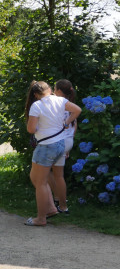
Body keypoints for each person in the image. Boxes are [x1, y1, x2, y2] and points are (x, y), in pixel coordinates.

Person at [24, 80, 81, 226]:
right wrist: (67, 122)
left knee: (41, 182)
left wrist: (38, 127)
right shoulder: (61, 100)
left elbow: (31, 129)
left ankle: (41, 218)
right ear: (49, 89)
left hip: (46, 146)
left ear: (36, 94)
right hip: (60, 145)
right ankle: (51, 207)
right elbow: (77, 110)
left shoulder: (37, 105)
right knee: (35, 177)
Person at [49, 79, 78, 215]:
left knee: (44, 172)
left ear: (59, 91)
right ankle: (62, 205)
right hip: (67, 141)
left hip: (57, 141)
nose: (53, 91)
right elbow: (74, 126)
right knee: (58, 175)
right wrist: (69, 147)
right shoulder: (71, 105)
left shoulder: (56, 104)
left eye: (54, 89)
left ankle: (55, 200)